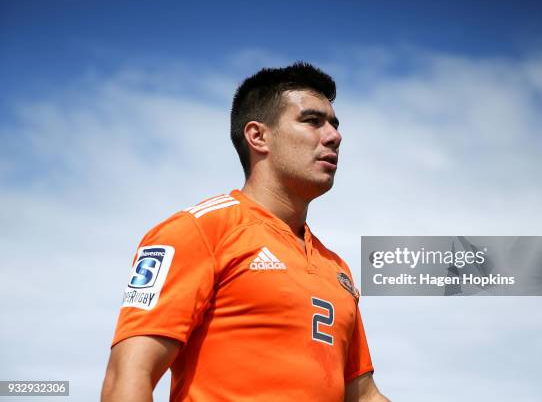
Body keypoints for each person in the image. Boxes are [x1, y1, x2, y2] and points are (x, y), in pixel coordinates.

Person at [101, 62, 389, 401]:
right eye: (312, 121)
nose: (334, 136)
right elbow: (128, 375)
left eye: (334, 125)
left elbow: (364, 395)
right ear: (258, 136)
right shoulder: (198, 230)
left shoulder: (336, 269)